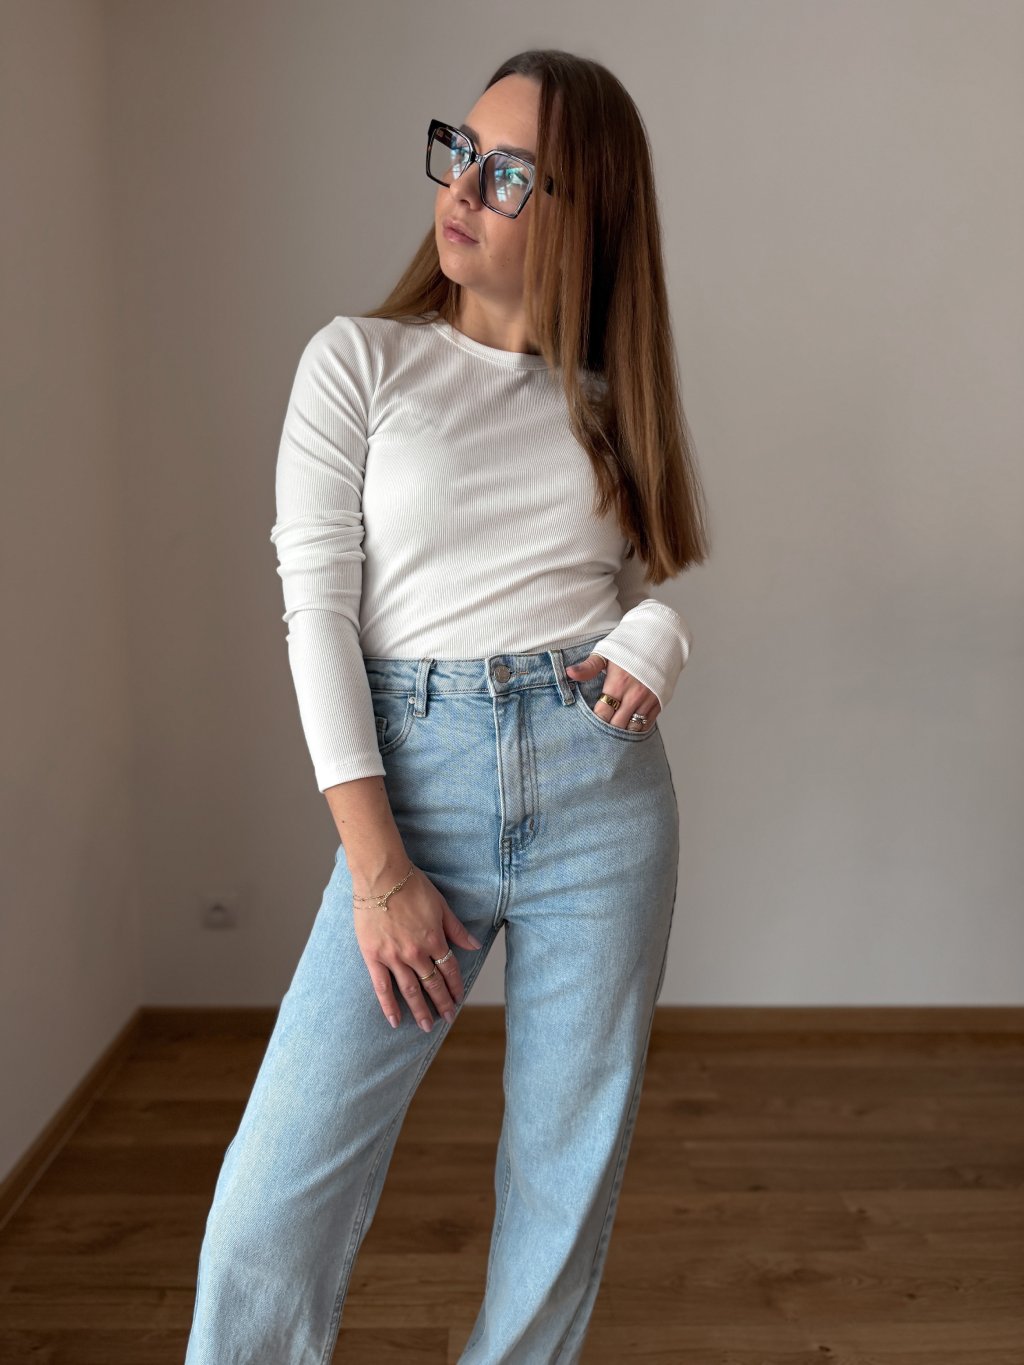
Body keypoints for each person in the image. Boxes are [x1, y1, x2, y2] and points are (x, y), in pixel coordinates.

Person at [184, 46, 710, 1365]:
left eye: (510, 172)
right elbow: (317, 616)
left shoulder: (609, 403)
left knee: (560, 1183)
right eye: (461, 150)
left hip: (601, 799)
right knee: (270, 1203)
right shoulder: (359, 362)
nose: (462, 188)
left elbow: (637, 593)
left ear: (586, 212)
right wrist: (379, 869)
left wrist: (660, 635)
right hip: (414, 788)